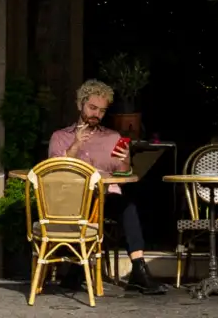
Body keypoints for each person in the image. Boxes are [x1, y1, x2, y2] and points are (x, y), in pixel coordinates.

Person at [48, 79, 164, 294]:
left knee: (127, 205)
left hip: (106, 199)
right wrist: (75, 146)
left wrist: (125, 160)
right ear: (80, 104)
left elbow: (123, 173)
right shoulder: (60, 137)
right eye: (92, 108)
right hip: (71, 203)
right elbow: (55, 172)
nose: (96, 114)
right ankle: (78, 267)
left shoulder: (112, 137)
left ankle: (138, 268)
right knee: (93, 204)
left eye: (102, 111)